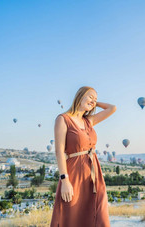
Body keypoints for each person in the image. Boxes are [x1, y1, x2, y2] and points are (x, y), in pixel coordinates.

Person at [50, 86, 116, 227]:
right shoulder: (63, 119)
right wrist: (64, 180)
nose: (93, 101)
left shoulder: (88, 121)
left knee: (98, 212)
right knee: (72, 213)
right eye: (90, 96)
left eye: (95, 99)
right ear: (79, 96)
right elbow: (59, 151)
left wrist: (94, 103)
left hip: (93, 173)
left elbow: (112, 108)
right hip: (74, 173)